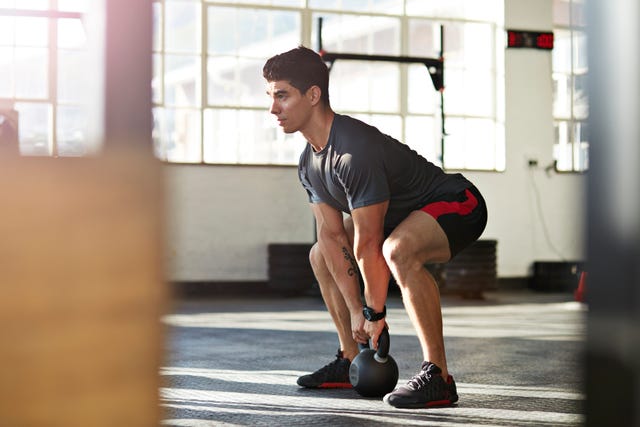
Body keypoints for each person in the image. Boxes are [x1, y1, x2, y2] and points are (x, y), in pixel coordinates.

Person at [263, 46, 487, 408]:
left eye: (282, 96)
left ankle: (439, 376)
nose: (273, 108)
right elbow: (333, 236)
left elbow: (368, 242)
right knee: (319, 254)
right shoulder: (308, 164)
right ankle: (350, 357)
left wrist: (375, 313)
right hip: (400, 220)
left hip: (459, 202)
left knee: (396, 250)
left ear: (313, 95)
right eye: (271, 97)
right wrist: (356, 312)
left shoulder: (353, 149)